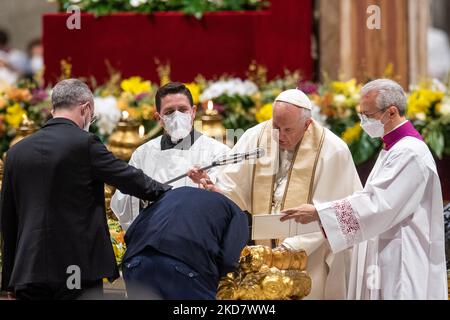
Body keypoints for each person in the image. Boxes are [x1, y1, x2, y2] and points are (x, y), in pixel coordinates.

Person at [0, 79, 171, 300]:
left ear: (54, 108)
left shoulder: (16, 152)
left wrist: (10, 282)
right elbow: (128, 178)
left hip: (28, 272)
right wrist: (166, 191)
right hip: (76, 267)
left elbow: (8, 220)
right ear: (86, 108)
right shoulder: (84, 143)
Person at [280, 79, 448, 300]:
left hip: (401, 257)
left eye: (367, 115)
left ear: (391, 112)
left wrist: (319, 213)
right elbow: (371, 197)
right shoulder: (393, 148)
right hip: (386, 252)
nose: (362, 122)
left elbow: (379, 204)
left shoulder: (410, 153)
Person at [189, 89, 363, 299]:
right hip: (263, 252)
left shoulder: (334, 150)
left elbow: (333, 211)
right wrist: (212, 187)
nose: (280, 136)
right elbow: (233, 185)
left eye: (288, 129)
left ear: (307, 124)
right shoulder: (257, 136)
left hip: (310, 255)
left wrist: (289, 247)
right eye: (276, 126)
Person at [111, 82, 229, 231]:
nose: (177, 116)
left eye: (182, 110)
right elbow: (122, 201)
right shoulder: (142, 154)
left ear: (193, 112)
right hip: (154, 235)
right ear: (158, 118)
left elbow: (229, 199)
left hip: (198, 236)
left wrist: (208, 186)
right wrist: (142, 196)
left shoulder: (218, 152)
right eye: (169, 112)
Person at [122, 187, 248, 300]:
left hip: (136, 264)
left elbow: (129, 234)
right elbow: (230, 259)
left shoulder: (168, 196)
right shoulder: (235, 211)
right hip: (187, 268)